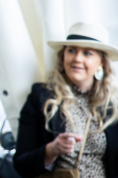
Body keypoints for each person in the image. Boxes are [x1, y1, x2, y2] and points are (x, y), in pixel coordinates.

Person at [14, 22, 118, 177]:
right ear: (63, 55)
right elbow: (21, 164)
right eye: (71, 50)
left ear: (101, 62)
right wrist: (51, 150)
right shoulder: (42, 96)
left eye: (87, 53)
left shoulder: (112, 106)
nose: (77, 58)